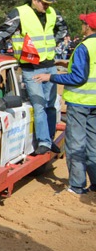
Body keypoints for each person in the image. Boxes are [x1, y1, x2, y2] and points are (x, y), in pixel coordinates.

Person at [0, 0, 68, 155]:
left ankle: (50, 138)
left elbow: (63, 28)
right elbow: (4, 31)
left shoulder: (53, 13)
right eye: (44, 4)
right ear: (35, 0)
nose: (46, 7)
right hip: (30, 67)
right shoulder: (19, 13)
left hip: (49, 65)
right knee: (39, 105)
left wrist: (55, 41)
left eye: (48, 4)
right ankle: (44, 141)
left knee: (51, 105)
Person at [34, 13, 96, 194]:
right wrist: (67, 63)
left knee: (76, 145)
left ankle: (76, 186)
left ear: (88, 27)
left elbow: (79, 77)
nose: (81, 26)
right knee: (94, 144)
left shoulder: (83, 46)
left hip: (80, 102)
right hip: (94, 103)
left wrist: (50, 76)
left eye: (83, 23)